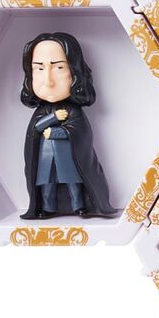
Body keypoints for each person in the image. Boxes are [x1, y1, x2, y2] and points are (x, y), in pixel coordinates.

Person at [19, 32, 115, 220]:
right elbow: (36, 129)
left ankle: (80, 206)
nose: (49, 81)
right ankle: (47, 208)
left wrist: (56, 132)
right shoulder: (42, 111)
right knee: (46, 185)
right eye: (39, 68)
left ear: (75, 71)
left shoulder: (73, 110)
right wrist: (53, 118)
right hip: (45, 159)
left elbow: (80, 134)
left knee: (73, 183)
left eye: (59, 67)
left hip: (67, 158)